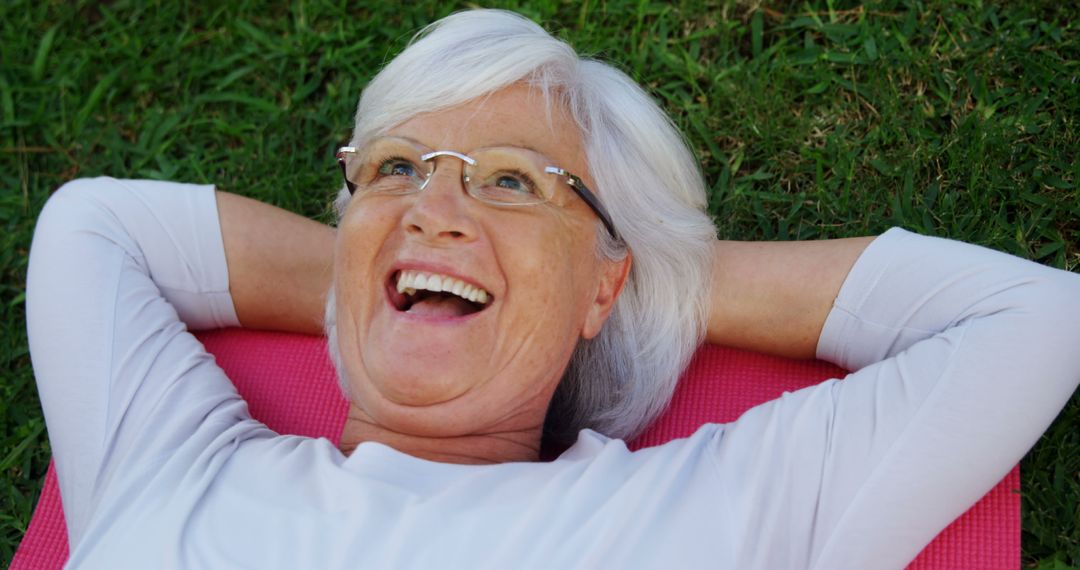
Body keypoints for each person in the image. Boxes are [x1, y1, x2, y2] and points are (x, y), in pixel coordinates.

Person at [25, 8, 1080, 569]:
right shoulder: (167, 461)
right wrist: (382, 269)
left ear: (605, 282)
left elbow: (1032, 319)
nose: (433, 207)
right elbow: (93, 227)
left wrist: (632, 288)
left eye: (514, 182)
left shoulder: (715, 512)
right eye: (395, 166)